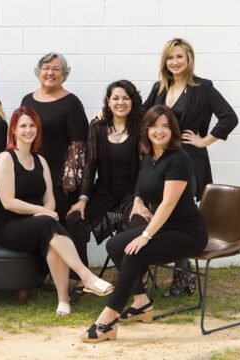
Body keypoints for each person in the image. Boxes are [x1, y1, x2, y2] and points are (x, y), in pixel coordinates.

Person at [80, 105, 208, 344]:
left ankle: (108, 319)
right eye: (154, 126)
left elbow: (168, 204)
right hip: (165, 228)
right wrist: (138, 201)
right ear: (146, 129)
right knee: (116, 246)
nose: (159, 131)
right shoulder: (150, 155)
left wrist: (146, 235)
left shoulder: (179, 159)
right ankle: (141, 303)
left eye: (165, 126)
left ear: (173, 130)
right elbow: (142, 182)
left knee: (135, 253)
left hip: (187, 232)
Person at [0, 106, 114, 317]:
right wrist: (42, 211)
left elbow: (49, 197)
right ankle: (86, 276)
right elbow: (8, 202)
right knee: (49, 225)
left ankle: (63, 300)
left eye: (32, 126)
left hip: (37, 222)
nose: (28, 130)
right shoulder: (5, 158)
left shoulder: (40, 161)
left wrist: (45, 211)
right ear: (13, 130)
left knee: (52, 236)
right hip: (9, 225)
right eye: (23, 126)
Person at [142, 38, 238, 297]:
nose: (174, 62)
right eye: (170, 58)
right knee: (166, 213)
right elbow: (141, 115)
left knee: (179, 215)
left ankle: (182, 279)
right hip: (161, 162)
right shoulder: (159, 88)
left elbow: (229, 117)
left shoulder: (203, 88)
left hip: (187, 161)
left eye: (179, 57)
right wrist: (106, 115)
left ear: (189, 59)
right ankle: (179, 277)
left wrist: (204, 141)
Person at [66, 80, 146, 302]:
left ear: (133, 101)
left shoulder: (142, 127)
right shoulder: (98, 127)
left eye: (126, 98)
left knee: (138, 226)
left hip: (133, 195)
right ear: (108, 102)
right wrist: (83, 199)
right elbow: (90, 165)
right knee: (74, 220)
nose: (120, 102)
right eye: (115, 98)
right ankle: (84, 278)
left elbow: (145, 169)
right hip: (104, 194)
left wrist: (139, 200)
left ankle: (138, 278)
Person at [21, 52, 89, 225]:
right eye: (46, 68)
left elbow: (79, 145)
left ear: (64, 74)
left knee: (57, 229)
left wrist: (69, 181)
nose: (50, 73)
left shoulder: (72, 103)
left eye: (56, 69)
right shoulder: (27, 100)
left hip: (61, 183)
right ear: (39, 71)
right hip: (31, 177)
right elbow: (19, 137)